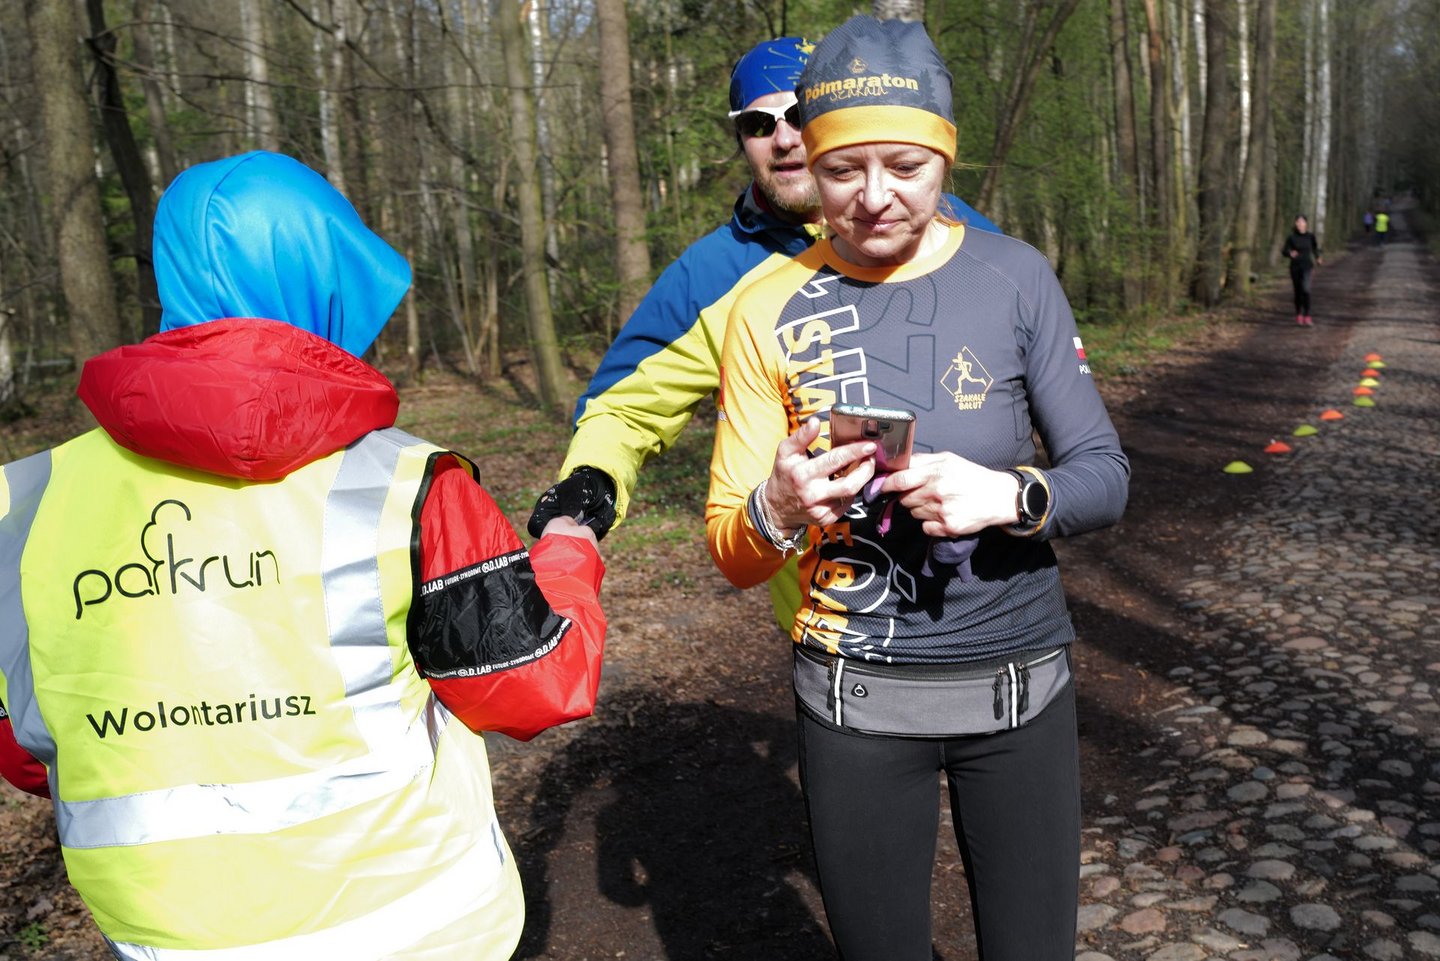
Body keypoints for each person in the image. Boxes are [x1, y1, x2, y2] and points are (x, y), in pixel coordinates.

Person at [0, 151, 606, 960]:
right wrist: (568, 546)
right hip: (415, 930)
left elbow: (31, 754)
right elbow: (539, 683)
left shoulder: (24, 505)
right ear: (323, 282)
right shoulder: (405, 485)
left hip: (167, 944)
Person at [705, 16, 1129, 961]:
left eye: (905, 165)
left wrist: (1011, 496)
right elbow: (732, 552)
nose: (874, 197)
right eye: (842, 169)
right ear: (807, 165)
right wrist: (779, 507)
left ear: (946, 157)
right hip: (853, 701)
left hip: (1018, 689)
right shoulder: (763, 309)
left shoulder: (1014, 276)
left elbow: (1105, 476)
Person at [527, 36, 998, 628]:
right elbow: (624, 410)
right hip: (836, 625)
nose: (783, 139)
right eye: (757, 123)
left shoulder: (956, 233)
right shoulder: (710, 276)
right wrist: (588, 488)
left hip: (994, 597)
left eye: (799, 114)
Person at [1282, 213, 1322, 326]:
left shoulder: (1310, 236)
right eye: (1298, 222)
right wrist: (1290, 253)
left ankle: (1307, 316)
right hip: (1295, 267)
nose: (1300, 224)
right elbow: (1284, 251)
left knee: (1306, 289)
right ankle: (1299, 315)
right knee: (1298, 291)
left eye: (1302, 222)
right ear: (1295, 224)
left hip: (1307, 266)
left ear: (1306, 224)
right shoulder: (1291, 237)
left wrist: (1318, 257)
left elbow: (1315, 248)